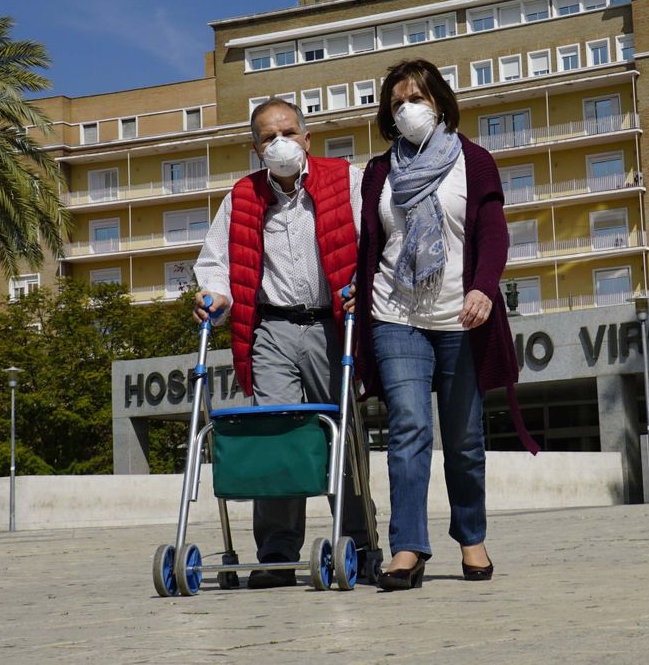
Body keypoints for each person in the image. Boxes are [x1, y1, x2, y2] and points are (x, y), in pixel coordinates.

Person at [353, 59, 537, 592]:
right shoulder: (378, 172)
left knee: (463, 439)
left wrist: (484, 287)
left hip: (461, 316)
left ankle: (471, 536)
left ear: (440, 102)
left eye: (417, 98)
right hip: (395, 315)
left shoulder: (474, 162)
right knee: (409, 428)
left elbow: (494, 234)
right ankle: (408, 547)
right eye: (397, 103)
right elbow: (373, 244)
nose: (407, 109)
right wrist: (355, 292)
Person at [194, 97, 378, 589]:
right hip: (271, 330)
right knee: (277, 435)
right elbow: (216, 262)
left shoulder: (347, 180)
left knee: (342, 434)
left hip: (333, 325)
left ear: (307, 138)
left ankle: (359, 543)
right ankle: (276, 552)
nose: (281, 144)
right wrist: (213, 294)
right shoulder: (243, 196)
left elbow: (376, 240)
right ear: (255, 149)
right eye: (269, 137)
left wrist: (365, 281)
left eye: (289, 133)